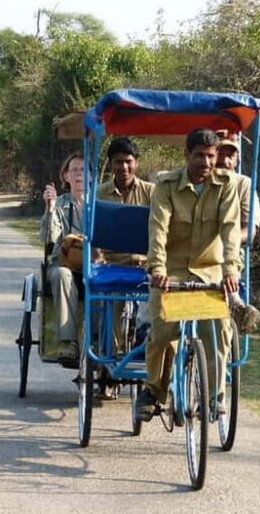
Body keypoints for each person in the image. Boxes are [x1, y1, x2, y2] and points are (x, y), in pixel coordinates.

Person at [136, 128, 241, 421]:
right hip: (172, 271)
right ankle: (154, 391)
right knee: (162, 332)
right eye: (200, 156)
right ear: (187, 155)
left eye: (211, 156)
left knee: (219, 330)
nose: (206, 163)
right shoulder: (166, 185)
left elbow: (230, 230)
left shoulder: (226, 185)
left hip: (210, 271)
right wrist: (157, 268)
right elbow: (158, 229)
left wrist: (230, 270)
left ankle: (215, 396)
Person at [96, 137, 155, 353]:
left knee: (159, 299)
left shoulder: (152, 192)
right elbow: (91, 232)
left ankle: (148, 349)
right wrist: (97, 255)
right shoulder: (98, 194)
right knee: (110, 305)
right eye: (119, 162)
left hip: (146, 265)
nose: (124, 167)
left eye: (128, 161)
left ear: (136, 163)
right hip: (112, 265)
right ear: (111, 164)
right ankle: (109, 356)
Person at [39, 151, 89, 360]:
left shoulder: (99, 204)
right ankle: (68, 343)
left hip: (92, 264)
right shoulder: (59, 204)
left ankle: (97, 341)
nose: (79, 174)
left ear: (91, 175)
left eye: (83, 170)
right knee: (62, 275)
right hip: (63, 263)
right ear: (66, 176)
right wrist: (50, 208)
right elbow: (49, 238)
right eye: (74, 170)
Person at [215, 132, 260, 243]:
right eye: (220, 154)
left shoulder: (243, 184)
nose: (224, 161)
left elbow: (250, 230)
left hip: (230, 248)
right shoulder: (199, 180)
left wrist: (227, 242)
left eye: (230, 156)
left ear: (236, 160)